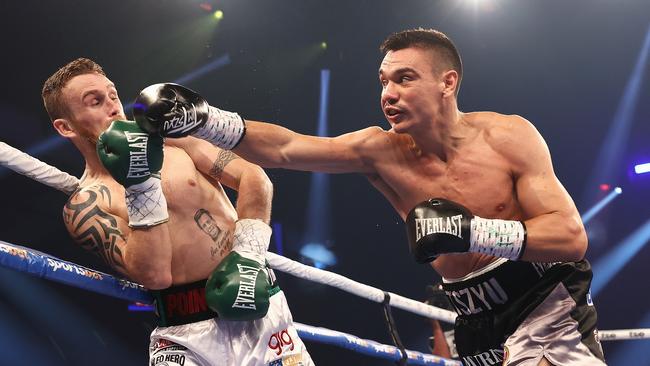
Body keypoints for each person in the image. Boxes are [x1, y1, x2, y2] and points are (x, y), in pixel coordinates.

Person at [134, 28, 608, 366]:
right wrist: (206, 119)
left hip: (545, 300)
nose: (388, 93)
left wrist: (469, 231)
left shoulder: (509, 136)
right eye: (383, 81)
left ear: (448, 83)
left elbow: (571, 237)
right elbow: (286, 147)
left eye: (404, 79)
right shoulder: (381, 152)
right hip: (472, 315)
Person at [41, 58, 313, 366]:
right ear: (65, 127)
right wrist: (140, 181)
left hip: (258, 309)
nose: (113, 107)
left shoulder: (177, 143)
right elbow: (155, 275)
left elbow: (254, 177)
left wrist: (248, 257)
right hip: (183, 335)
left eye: (112, 95)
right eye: (95, 102)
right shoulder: (87, 205)